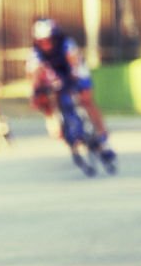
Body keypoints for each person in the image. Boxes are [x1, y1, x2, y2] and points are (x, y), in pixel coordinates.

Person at [26, 18, 115, 163]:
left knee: (86, 99)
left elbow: (73, 63)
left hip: (75, 71)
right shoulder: (35, 53)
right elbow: (34, 74)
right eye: (41, 41)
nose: (46, 44)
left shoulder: (67, 44)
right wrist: (36, 91)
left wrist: (73, 80)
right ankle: (61, 126)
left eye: (49, 40)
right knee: (45, 97)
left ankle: (103, 138)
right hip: (56, 75)